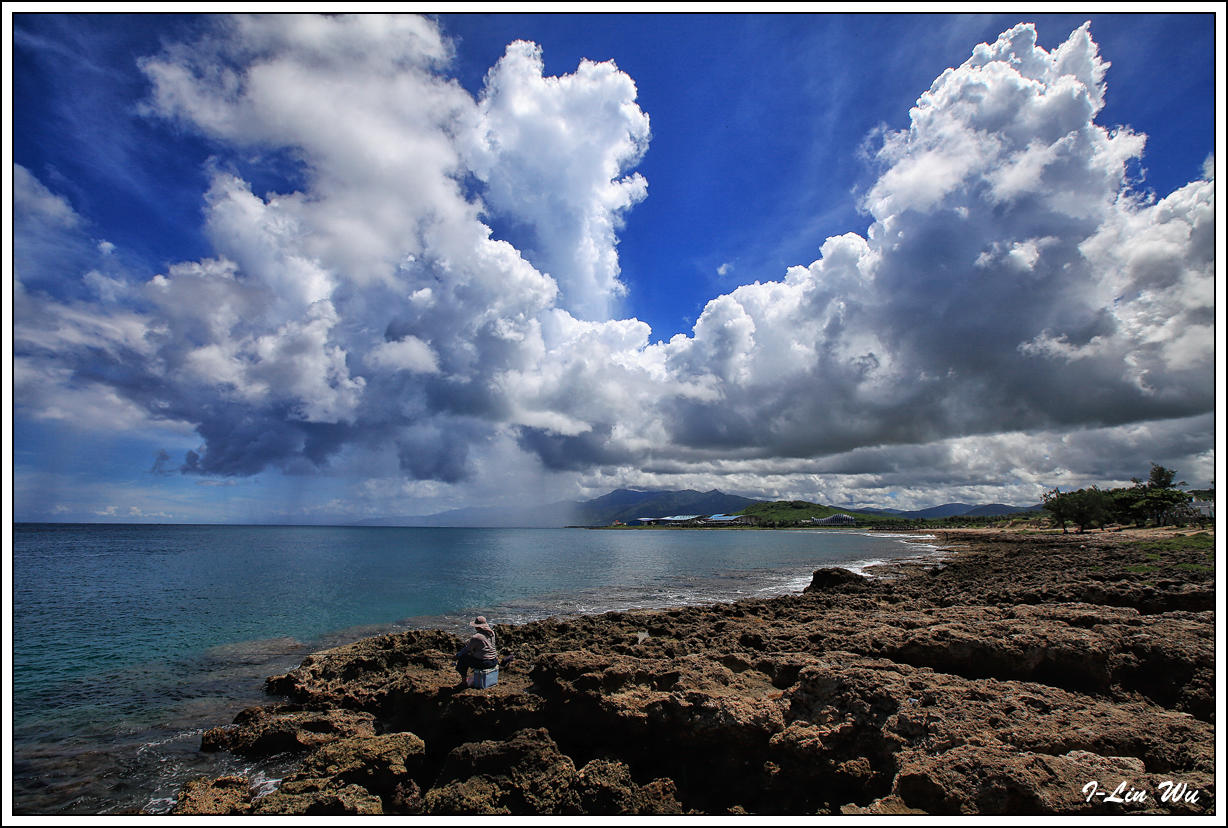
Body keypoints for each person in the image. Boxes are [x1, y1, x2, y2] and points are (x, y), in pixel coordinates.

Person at [454, 615, 498, 686]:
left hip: (485, 663)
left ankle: (464, 682)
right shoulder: (492, 633)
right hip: (494, 660)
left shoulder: (476, 637)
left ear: (477, 626)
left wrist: (457, 655)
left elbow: (467, 650)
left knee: (463, 658)